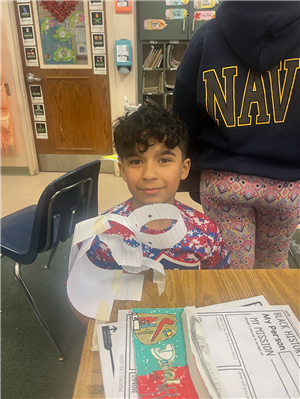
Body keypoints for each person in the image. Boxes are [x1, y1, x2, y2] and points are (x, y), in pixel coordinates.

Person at [173, 0, 300, 269]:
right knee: (274, 269)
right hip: (287, 185)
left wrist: (193, 175)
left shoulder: (206, 36)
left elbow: (183, 118)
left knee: (233, 273)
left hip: (223, 180)